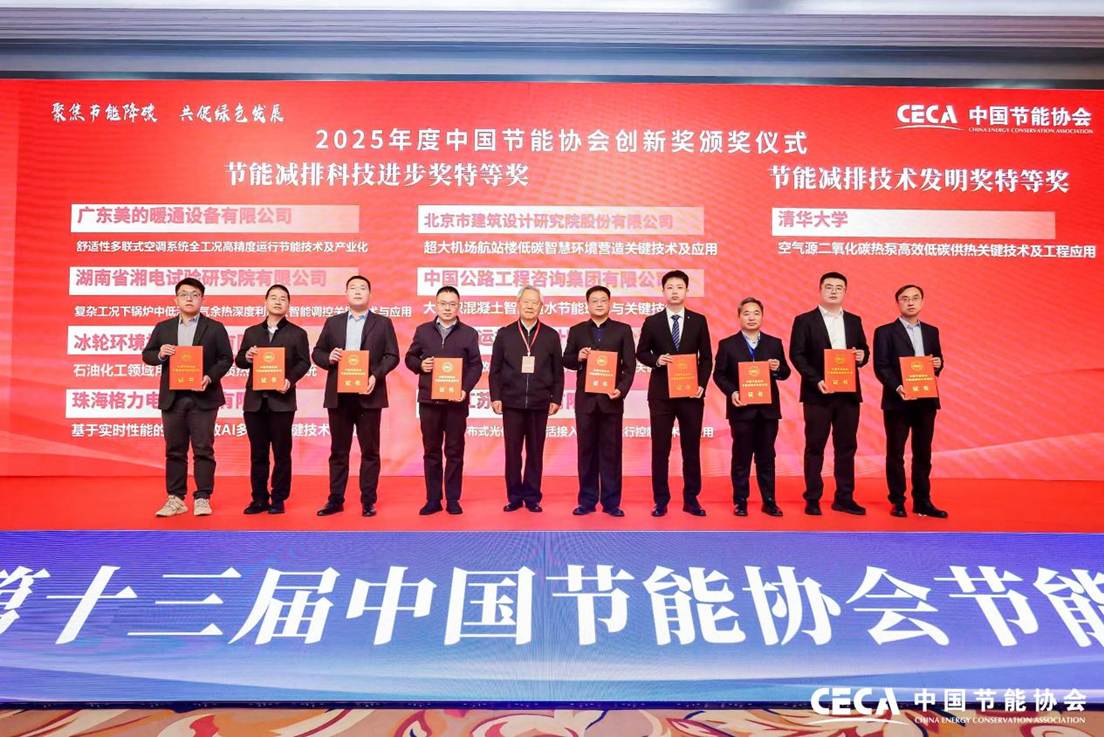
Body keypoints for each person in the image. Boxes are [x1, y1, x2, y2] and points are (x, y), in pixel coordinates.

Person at [141, 277, 233, 517]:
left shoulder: (215, 328)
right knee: (174, 450)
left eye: (194, 294)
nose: (189, 298)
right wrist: (160, 354)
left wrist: (209, 377)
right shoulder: (163, 328)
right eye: (184, 294)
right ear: (176, 300)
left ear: (202, 299)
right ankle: (175, 498)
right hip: (173, 398)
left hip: (204, 397)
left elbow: (226, 358)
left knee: (203, 448)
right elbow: (147, 355)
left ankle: (202, 497)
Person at [312, 275, 400, 517]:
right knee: (338, 451)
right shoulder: (333, 323)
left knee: (370, 451)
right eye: (353, 288)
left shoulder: (382, 323)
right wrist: (329, 357)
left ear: (369, 294)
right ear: (346, 294)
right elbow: (317, 352)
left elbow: (393, 355)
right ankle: (335, 500)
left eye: (363, 288)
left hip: (369, 394)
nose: (358, 291)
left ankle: (368, 501)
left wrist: (375, 376)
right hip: (339, 396)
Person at [789, 271, 870, 516]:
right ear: (820, 290)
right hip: (818, 394)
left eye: (839, 287)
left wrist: (862, 356)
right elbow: (797, 355)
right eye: (829, 287)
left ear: (845, 292)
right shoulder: (804, 320)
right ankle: (812, 498)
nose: (834, 291)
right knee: (815, 447)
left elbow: (864, 351)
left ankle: (844, 497)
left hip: (848, 395)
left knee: (846, 447)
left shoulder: (854, 320)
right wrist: (817, 381)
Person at [635, 269, 713, 517]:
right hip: (661, 395)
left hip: (691, 395)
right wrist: (657, 360)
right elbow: (641, 352)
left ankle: (692, 499)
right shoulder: (652, 321)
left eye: (679, 287)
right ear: (663, 291)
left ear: (687, 290)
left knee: (691, 449)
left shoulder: (698, 320)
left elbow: (707, 358)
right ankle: (661, 500)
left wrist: (701, 385)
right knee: (661, 449)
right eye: (670, 287)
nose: (675, 291)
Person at [404, 285, 483, 515]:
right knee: (431, 451)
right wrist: (420, 365)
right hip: (429, 402)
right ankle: (433, 499)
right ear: (435, 305)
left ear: (458, 306)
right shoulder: (423, 331)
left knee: (455, 451)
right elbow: (409, 357)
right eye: (443, 304)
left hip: (456, 402)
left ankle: (453, 499)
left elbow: (476, 365)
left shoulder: (469, 333)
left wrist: (465, 389)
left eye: (452, 304)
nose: (447, 308)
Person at [234, 284, 311, 515]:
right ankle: (259, 498)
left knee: (281, 453)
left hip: (282, 402)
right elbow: (239, 360)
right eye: (274, 298)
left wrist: (290, 380)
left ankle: (278, 498)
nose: (278, 302)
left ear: (289, 304)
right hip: (255, 401)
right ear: (265, 302)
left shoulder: (297, 333)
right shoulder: (251, 332)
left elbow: (304, 362)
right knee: (258, 453)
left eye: (283, 298)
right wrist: (247, 357)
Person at [873, 284, 948, 518]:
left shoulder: (932, 331)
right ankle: (897, 501)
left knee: (923, 453)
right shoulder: (884, 332)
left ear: (922, 302)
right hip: (898, 401)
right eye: (905, 299)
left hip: (926, 400)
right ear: (898, 303)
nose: (910, 302)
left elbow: (937, 360)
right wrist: (898, 387)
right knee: (896, 453)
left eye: (915, 298)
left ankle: (923, 501)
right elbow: (881, 366)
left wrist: (938, 364)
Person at [712, 297, 792, 517]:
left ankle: (769, 501)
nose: (751, 317)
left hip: (768, 411)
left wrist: (777, 368)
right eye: (746, 313)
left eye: (756, 313)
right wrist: (733, 392)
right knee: (741, 457)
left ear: (762, 316)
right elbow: (719, 375)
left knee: (767, 457)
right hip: (741, 410)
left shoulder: (774, 343)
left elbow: (785, 373)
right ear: (739, 317)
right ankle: (740, 501)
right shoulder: (727, 344)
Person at [562, 285, 636, 517]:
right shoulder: (577, 331)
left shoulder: (622, 330)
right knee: (586, 452)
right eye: (594, 301)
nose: (599, 304)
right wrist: (578, 357)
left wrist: (621, 389)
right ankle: (587, 501)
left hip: (611, 400)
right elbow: (566, 359)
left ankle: (612, 503)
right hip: (586, 401)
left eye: (603, 300)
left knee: (611, 453)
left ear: (610, 303)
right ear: (587, 304)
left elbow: (630, 366)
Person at [489, 286, 564, 513]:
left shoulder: (551, 335)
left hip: (540, 402)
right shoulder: (505, 334)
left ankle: (532, 496)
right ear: (518, 304)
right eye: (526, 302)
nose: (530, 306)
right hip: (511, 402)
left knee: (535, 452)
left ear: (541, 306)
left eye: (535, 302)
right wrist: (496, 397)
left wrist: (556, 398)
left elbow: (558, 371)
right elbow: (495, 370)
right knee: (512, 452)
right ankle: (514, 497)